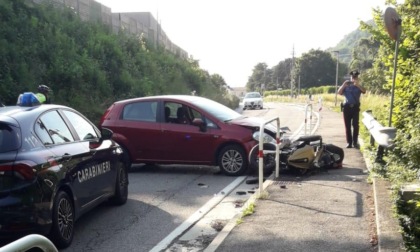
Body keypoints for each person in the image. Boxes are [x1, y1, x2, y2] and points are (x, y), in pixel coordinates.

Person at [338, 70, 366, 149]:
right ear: (350, 77)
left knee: (355, 126)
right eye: (353, 77)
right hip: (346, 107)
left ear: (357, 77)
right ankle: (349, 142)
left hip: (355, 107)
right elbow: (339, 92)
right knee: (347, 126)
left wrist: (358, 85)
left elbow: (364, 91)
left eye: (355, 77)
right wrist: (344, 85)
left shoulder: (358, 86)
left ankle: (355, 142)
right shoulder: (346, 85)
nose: (354, 78)